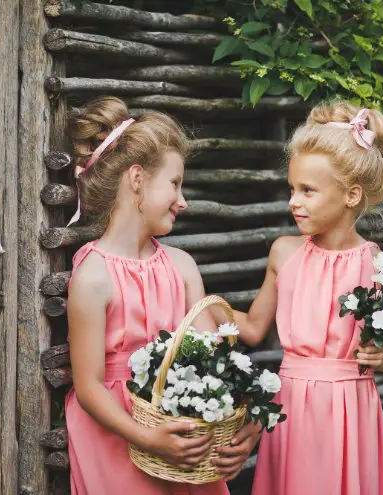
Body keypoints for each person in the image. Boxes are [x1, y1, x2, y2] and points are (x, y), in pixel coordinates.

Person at [65, 97, 257, 494]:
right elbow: (88, 386)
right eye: (175, 183)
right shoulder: (93, 277)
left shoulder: (182, 266)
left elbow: (215, 359)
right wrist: (147, 437)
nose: (183, 200)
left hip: (184, 438)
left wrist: (247, 425)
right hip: (118, 434)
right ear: (136, 178)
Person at [234, 101, 383, 494]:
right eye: (292, 189)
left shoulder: (381, 267)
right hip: (291, 407)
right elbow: (250, 328)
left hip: (348, 412)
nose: (294, 201)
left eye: (308, 191)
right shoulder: (285, 253)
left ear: (351, 195)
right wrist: (202, 301)